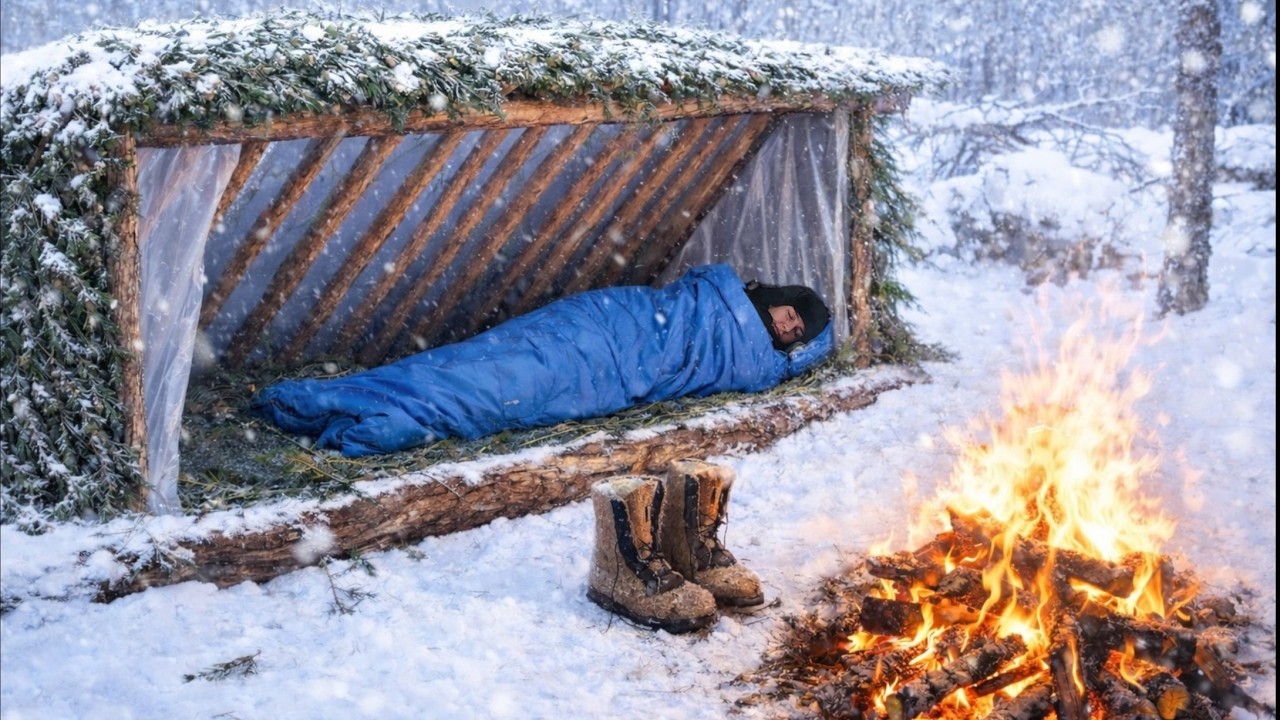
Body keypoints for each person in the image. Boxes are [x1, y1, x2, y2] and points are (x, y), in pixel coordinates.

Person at [252, 264, 832, 457]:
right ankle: (334, 400)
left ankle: (353, 409)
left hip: (610, 369)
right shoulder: (715, 296)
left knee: (487, 391)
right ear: (774, 297)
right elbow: (677, 311)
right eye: (787, 312)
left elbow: (767, 365)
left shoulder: (760, 365)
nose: (785, 325)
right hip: (608, 323)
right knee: (483, 362)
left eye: (796, 331)